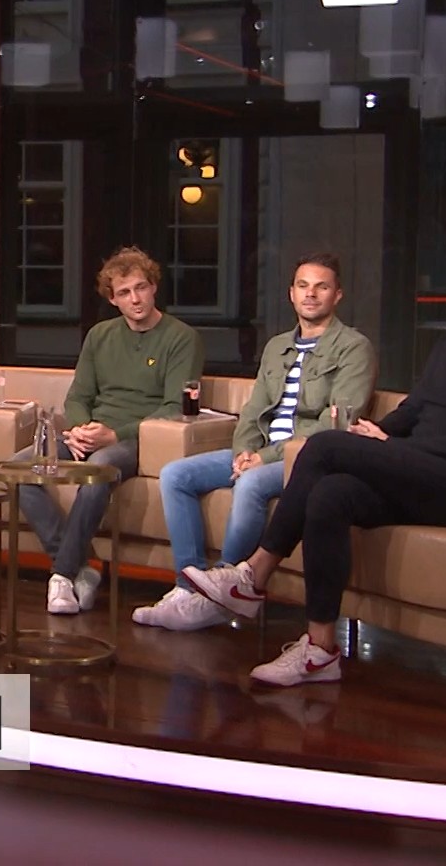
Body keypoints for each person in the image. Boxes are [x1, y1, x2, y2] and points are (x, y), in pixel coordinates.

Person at [189, 230, 446, 686]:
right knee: (331, 495)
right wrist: (376, 433)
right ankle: (320, 649)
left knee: (326, 445)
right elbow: (416, 409)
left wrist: (392, 448)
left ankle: (253, 574)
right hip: (433, 473)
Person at [136, 254, 374, 631]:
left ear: (338, 295)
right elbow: (253, 410)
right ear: (291, 293)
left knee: (250, 483)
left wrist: (264, 457)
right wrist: (245, 450)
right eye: (303, 286)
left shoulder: (354, 347)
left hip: (305, 458)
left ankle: (224, 591)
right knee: (175, 475)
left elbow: (336, 423)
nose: (311, 294)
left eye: (321, 287)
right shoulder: (277, 347)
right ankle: (188, 588)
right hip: (260, 452)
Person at [14, 248, 204, 614]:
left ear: (154, 287)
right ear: (113, 299)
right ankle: (79, 567)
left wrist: (114, 435)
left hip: (140, 437)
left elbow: (174, 408)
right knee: (21, 468)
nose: (135, 299)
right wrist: (78, 429)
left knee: (99, 467)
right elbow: (78, 396)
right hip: (91, 433)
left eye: (141, 288)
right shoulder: (100, 336)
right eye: (124, 293)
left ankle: (61, 575)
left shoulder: (182, 338)